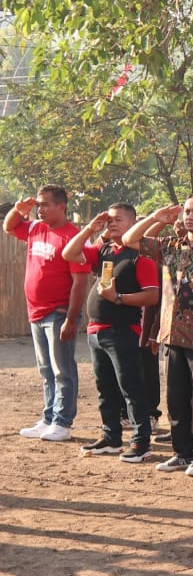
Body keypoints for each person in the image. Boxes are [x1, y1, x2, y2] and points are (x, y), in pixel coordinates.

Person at [122, 195, 193, 477]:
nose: (189, 216)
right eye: (186, 211)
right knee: (175, 399)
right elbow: (128, 239)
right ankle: (181, 453)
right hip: (172, 337)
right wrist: (156, 218)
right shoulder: (170, 247)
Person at [60, 205, 160, 462]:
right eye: (109, 219)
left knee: (131, 388)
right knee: (105, 389)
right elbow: (69, 254)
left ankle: (140, 442)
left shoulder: (141, 255)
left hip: (123, 331)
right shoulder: (105, 250)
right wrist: (91, 229)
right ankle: (111, 437)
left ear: (134, 223)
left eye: (118, 219)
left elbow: (151, 295)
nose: (112, 223)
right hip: (96, 330)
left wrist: (118, 298)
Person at [4, 185, 91, 440]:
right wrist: (19, 210)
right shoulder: (35, 228)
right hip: (36, 312)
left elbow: (80, 281)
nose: (40, 209)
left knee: (62, 369)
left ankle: (63, 422)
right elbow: (9, 227)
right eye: (38, 205)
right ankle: (48, 418)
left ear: (61, 206)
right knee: (45, 370)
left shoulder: (72, 236)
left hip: (59, 312)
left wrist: (72, 317)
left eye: (45, 205)